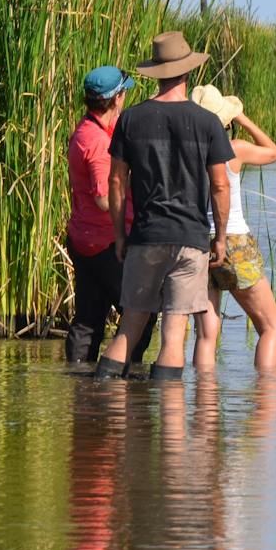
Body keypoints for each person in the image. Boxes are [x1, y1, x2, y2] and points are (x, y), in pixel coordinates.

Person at [94, 31, 234, 382]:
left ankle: (102, 406)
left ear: (157, 71)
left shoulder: (131, 120)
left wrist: (120, 235)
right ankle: (172, 428)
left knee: (129, 327)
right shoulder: (208, 123)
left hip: (145, 237)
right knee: (173, 333)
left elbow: (116, 181)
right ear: (187, 73)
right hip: (190, 239)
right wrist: (219, 239)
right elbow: (220, 184)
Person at [189, 86, 276, 371]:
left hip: (196, 240)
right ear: (226, 121)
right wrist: (242, 118)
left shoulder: (188, 151)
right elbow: (274, 152)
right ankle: (265, 400)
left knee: (206, 334)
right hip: (233, 241)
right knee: (269, 327)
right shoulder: (235, 148)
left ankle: (204, 405)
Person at [65, 65, 153, 365]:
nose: (126, 96)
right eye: (124, 92)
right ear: (116, 98)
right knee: (141, 312)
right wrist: (138, 180)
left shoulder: (88, 129)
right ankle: (121, 373)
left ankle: (81, 387)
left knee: (89, 319)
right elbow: (104, 198)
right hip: (105, 243)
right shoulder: (97, 142)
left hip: (83, 238)